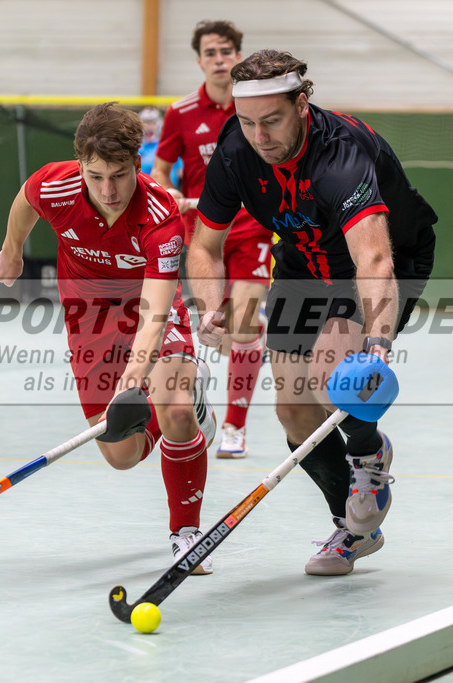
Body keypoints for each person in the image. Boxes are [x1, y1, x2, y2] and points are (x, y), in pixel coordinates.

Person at [186, 50, 438, 576]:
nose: (260, 136)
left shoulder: (341, 155)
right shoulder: (237, 151)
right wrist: (210, 307)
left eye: (272, 120)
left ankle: (369, 454)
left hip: (382, 259)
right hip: (302, 264)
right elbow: (205, 246)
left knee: (337, 381)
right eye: (248, 122)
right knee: (294, 413)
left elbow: (374, 256)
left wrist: (377, 346)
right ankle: (351, 530)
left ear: (303, 103)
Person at [0, 102, 218, 573]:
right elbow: (24, 201)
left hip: (148, 311)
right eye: (95, 177)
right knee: (122, 454)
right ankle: (180, 410)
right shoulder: (54, 184)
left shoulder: (160, 217)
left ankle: (186, 534)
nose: (108, 190)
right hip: (88, 317)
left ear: (137, 163)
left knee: (173, 409)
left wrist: (136, 374)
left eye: (119, 174)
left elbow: (157, 313)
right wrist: (12, 252)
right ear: (80, 166)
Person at [152, 20, 272, 460]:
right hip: (204, 233)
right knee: (214, 328)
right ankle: (195, 382)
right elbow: (161, 170)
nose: (220, 59)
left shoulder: (258, 106)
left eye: (226, 51)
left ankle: (235, 427)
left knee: (245, 317)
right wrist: (171, 194)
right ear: (199, 60)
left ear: (238, 56)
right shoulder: (180, 112)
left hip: (254, 226)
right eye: (211, 52)